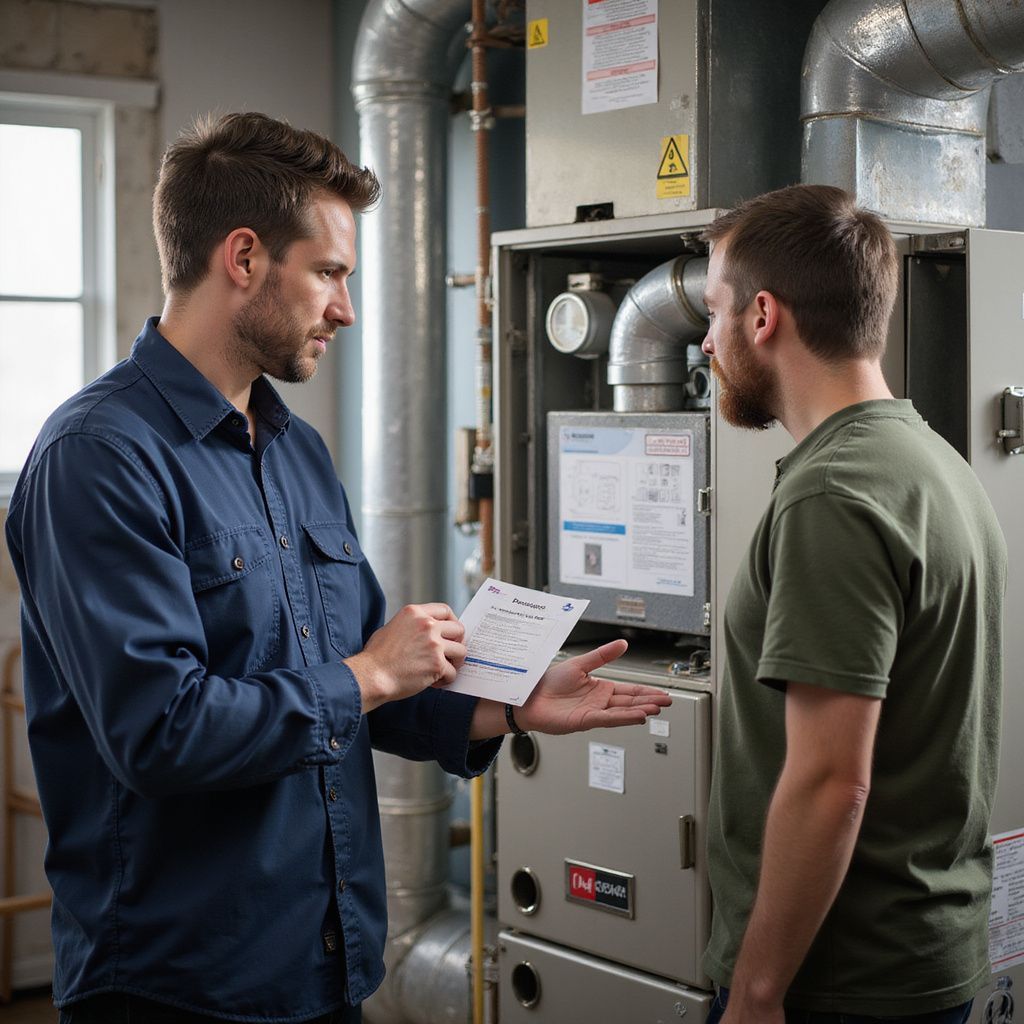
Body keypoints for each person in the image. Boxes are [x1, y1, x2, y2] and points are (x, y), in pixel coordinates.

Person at [3, 112, 671, 1024]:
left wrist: (503, 703)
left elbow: (363, 672)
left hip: (324, 960)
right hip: (179, 983)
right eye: (329, 273)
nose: (346, 309)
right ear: (243, 258)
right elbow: (159, 731)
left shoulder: (294, 449)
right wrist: (367, 672)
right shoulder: (99, 457)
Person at [699, 184, 1006, 1023]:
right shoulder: (931, 462)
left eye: (714, 312)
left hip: (835, 981)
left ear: (763, 316)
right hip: (915, 954)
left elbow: (834, 780)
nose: (703, 342)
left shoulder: (834, 493)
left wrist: (757, 994)